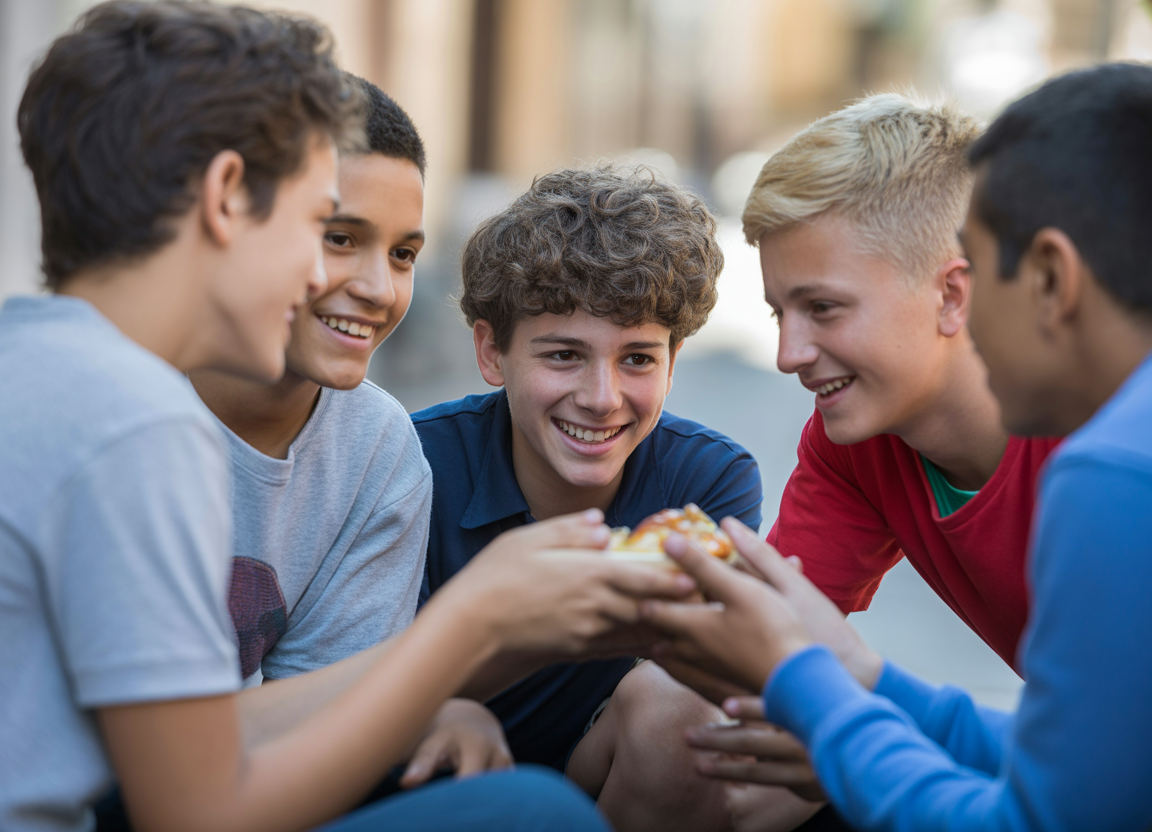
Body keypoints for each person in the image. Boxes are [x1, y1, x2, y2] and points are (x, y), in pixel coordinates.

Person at [0, 4, 693, 831]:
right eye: (319, 226)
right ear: (227, 198)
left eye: (401, 252)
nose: (357, 283)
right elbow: (195, 806)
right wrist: (474, 622)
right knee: (534, 812)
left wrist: (450, 659)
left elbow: (204, 731)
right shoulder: (139, 421)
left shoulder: (38, 360)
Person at [641, 62, 1152, 831]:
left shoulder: (1108, 465)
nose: (788, 353)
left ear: (964, 290)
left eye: (823, 308)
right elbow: (1092, 765)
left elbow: (1049, 815)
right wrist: (845, 684)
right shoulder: (856, 440)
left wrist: (827, 707)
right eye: (781, 312)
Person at [413, 166, 815, 832]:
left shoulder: (707, 480)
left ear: (674, 360)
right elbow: (350, 673)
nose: (602, 398)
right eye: (565, 355)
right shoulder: (416, 466)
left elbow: (707, 693)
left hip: (606, 778)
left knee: (689, 705)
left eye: (637, 359)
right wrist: (441, 705)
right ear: (491, 352)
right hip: (436, 779)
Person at [185, 75, 509, 791]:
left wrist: (432, 703)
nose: (380, 288)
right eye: (341, 238)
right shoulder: (119, 404)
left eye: (402, 254)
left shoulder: (378, 448)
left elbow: (316, 730)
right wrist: (462, 646)